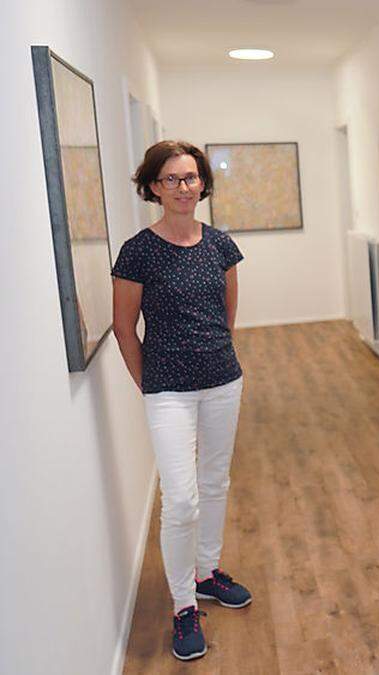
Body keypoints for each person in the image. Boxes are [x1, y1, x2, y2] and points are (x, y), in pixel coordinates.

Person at [112, 141, 252, 661]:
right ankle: (182, 605)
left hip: (222, 382)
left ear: (202, 183)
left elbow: (227, 316)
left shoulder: (220, 245)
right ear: (152, 187)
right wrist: (150, 384)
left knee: (215, 482)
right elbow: (125, 329)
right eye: (171, 179)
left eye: (191, 177)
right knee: (183, 498)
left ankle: (207, 572)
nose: (183, 187)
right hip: (167, 389)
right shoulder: (138, 251)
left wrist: (216, 363)